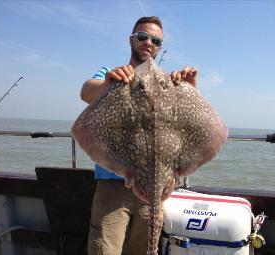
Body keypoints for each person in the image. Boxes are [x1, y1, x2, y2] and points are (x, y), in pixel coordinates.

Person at [80, 16, 198, 255]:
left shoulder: (167, 82)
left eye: (155, 40)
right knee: (104, 249)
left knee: (144, 250)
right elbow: (86, 91)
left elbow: (188, 124)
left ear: (160, 47)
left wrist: (191, 91)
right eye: (142, 37)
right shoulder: (113, 74)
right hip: (113, 183)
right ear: (131, 40)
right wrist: (108, 84)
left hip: (156, 184)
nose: (148, 43)